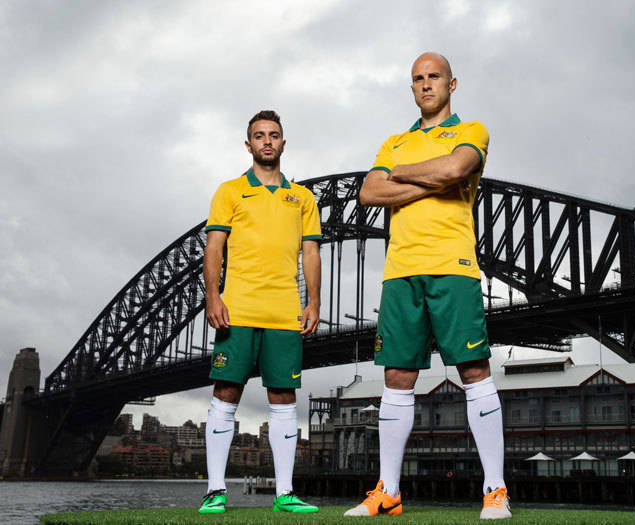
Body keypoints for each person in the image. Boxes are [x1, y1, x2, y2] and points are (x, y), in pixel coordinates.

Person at [344, 53, 510, 520]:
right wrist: (430, 178)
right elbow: (369, 192)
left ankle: (495, 490)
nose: (426, 84)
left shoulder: (471, 130)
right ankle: (388, 492)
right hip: (400, 270)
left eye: (434, 76)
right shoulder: (394, 141)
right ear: (412, 87)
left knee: (473, 370)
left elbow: (456, 170)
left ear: (452, 84)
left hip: (452, 264)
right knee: (396, 377)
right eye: (418, 78)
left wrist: (400, 173)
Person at [198, 110, 322, 515]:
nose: (267, 141)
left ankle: (285, 494)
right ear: (248, 144)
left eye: (273, 135)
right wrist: (212, 296)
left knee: (284, 396)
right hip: (238, 308)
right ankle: (215, 491)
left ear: (283, 143)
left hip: (284, 311)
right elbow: (214, 247)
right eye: (259, 135)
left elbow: (311, 252)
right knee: (226, 391)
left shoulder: (302, 197)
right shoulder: (230, 191)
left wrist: (314, 301)